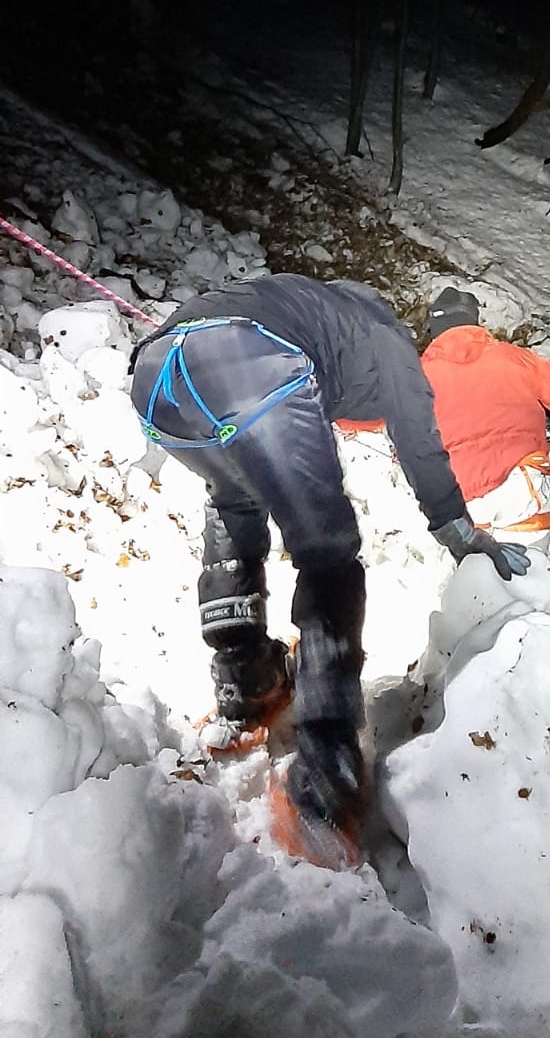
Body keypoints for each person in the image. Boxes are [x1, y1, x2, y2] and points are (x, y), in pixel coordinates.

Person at [128, 274, 526, 869]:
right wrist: (458, 530)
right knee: (329, 551)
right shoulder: (386, 335)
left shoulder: (309, 307)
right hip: (251, 368)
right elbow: (418, 436)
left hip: (157, 382)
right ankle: (325, 779)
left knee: (236, 501)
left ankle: (247, 687)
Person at [420, 285, 550, 552]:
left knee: (477, 588)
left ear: (434, 329)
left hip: (461, 507)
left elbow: (378, 418)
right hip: (522, 492)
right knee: (529, 582)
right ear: (474, 322)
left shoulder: (417, 375)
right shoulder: (515, 358)